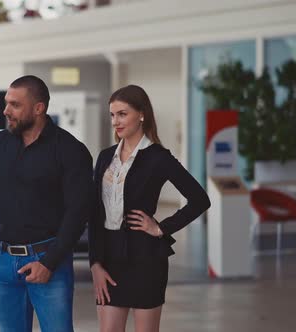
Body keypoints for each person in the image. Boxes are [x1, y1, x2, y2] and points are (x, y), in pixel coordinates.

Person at [0, 75, 94, 332]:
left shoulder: (70, 150)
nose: (6, 110)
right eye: (6, 103)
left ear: (39, 108)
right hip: (2, 262)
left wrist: (49, 262)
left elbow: (78, 213)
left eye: (15, 105)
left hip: (48, 261)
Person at [88, 85, 211, 332]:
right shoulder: (105, 157)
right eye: (112, 115)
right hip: (109, 259)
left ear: (141, 114)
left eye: (122, 114)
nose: (115, 121)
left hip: (146, 260)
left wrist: (160, 228)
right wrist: (95, 263)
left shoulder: (158, 157)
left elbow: (200, 199)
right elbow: (95, 212)